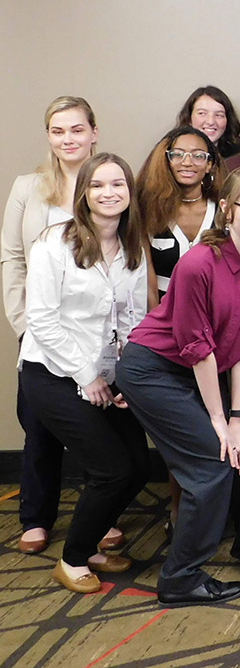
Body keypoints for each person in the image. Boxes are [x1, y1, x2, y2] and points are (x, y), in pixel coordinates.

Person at [116, 165, 240, 606]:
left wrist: (239, 419)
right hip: (152, 370)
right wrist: (219, 420)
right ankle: (180, 579)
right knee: (211, 469)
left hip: (194, 371)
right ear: (226, 209)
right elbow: (198, 349)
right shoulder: (198, 264)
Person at [20, 153, 150, 593]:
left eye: (118, 185)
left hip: (106, 375)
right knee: (111, 467)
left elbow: (134, 320)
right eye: (98, 185)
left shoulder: (133, 248)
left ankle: (91, 541)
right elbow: (42, 319)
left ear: (130, 194)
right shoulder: (54, 244)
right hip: (51, 372)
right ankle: (73, 559)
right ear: (84, 193)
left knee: (136, 465)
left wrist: (123, 378)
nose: (108, 193)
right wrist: (86, 376)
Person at [1, 96, 123, 556]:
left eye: (77, 129)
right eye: (58, 131)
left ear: (94, 132)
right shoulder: (28, 187)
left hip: (95, 334)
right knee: (39, 424)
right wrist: (23, 324)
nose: (68, 139)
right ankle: (36, 515)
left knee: (96, 424)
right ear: (49, 137)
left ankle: (99, 515)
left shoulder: (111, 181)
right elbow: (12, 258)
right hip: (43, 329)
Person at [137, 126, 221, 304]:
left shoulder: (224, 211)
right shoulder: (148, 211)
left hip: (213, 313)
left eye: (198, 156)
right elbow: (147, 278)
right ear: (167, 160)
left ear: (209, 165)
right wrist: (157, 324)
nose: (187, 162)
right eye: (178, 154)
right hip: (162, 312)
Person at [175, 85, 240, 162]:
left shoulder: (238, 161)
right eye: (202, 113)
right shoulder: (173, 157)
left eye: (218, 115)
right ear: (189, 118)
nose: (210, 122)